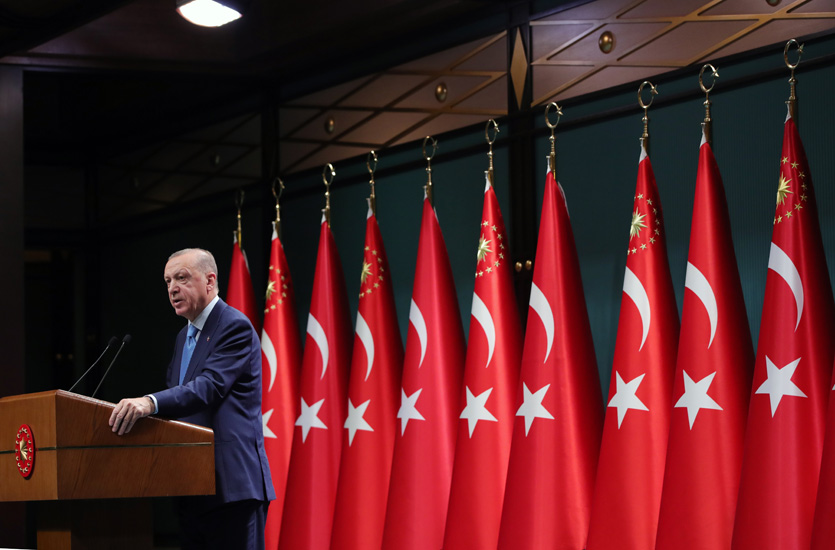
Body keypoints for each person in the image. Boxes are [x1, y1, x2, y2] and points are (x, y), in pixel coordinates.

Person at [109, 247, 274, 550]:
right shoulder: (182, 337)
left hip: (231, 488)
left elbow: (208, 387)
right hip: (192, 487)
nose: (172, 288)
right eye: (168, 281)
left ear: (210, 281)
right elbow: (179, 403)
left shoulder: (233, 326)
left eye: (182, 278)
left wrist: (149, 402)